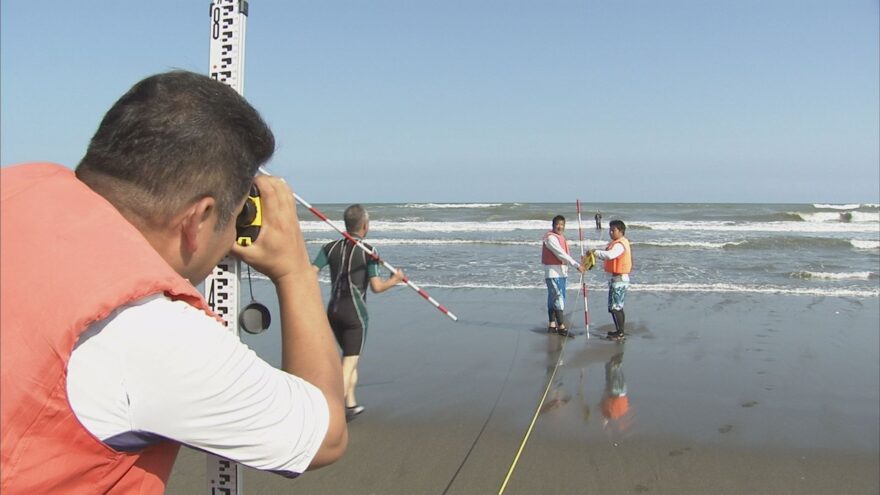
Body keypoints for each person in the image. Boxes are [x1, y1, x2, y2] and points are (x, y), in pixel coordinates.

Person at [0, 71, 347, 494]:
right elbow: (324, 437)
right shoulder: (146, 330)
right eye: (235, 214)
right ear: (199, 219)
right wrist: (294, 271)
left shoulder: (18, 187)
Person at [312, 204, 405, 419]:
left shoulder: (330, 248)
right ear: (365, 226)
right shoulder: (369, 251)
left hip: (333, 313)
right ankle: (332, 413)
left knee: (349, 359)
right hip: (355, 316)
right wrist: (395, 280)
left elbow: (310, 272)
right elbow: (377, 287)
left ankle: (350, 404)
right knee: (349, 363)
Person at [542, 215, 585, 337]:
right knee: (558, 298)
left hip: (561, 272)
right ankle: (561, 326)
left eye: (562, 224)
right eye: (557, 224)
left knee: (553, 298)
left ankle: (552, 324)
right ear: (553, 225)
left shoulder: (560, 237)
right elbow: (561, 254)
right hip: (554, 272)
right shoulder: (550, 238)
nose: (560, 226)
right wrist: (576, 265)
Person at [590, 219, 632, 341]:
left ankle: (620, 333)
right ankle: (619, 331)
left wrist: (595, 252)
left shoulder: (619, 245)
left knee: (616, 308)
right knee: (615, 307)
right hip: (615, 279)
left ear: (621, 231)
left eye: (613, 230)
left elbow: (609, 255)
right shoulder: (616, 243)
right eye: (610, 230)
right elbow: (607, 256)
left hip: (619, 279)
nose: (611, 232)